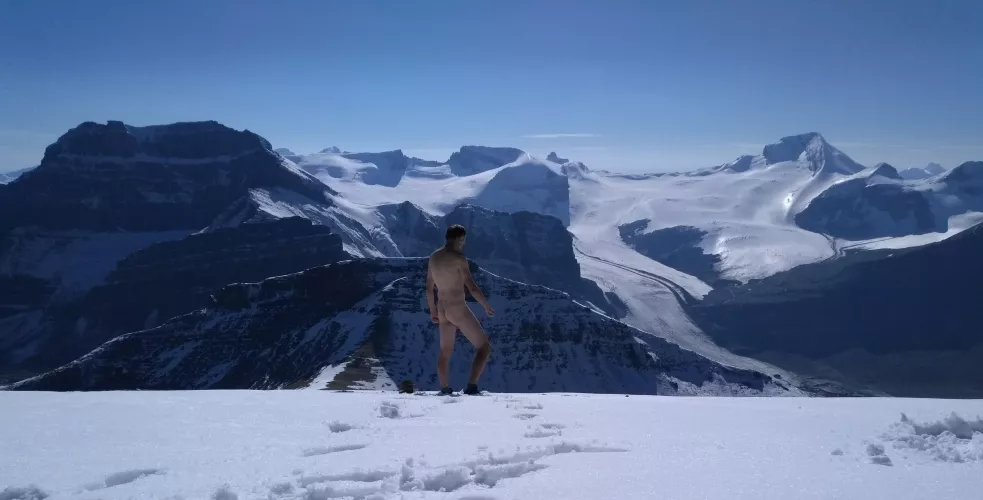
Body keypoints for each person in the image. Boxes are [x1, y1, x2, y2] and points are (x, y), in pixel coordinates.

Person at [425, 224, 495, 395]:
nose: (463, 244)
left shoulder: (433, 257)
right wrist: (485, 306)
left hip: (442, 308)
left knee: (445, 351)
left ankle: (444, 388)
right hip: (457, 307)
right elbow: (471, 287)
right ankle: (472, 386)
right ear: (457, 239)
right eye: (463, 240)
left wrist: (432, 310)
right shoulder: (458, 258)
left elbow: (428, 288)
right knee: (484, 347)